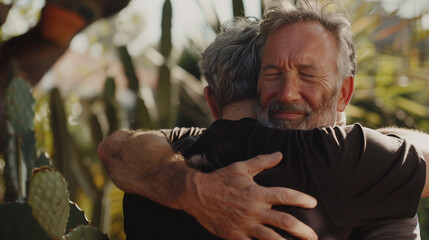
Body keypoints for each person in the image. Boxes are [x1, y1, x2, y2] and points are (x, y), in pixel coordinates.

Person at [98, 0, 429, 239]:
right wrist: (376, 141)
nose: (288, 93)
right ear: (262, 90)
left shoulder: (148, 175)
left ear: (212, 100)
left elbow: (115, 147)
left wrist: (188, 187)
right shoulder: (328, 158)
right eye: (276, 73)